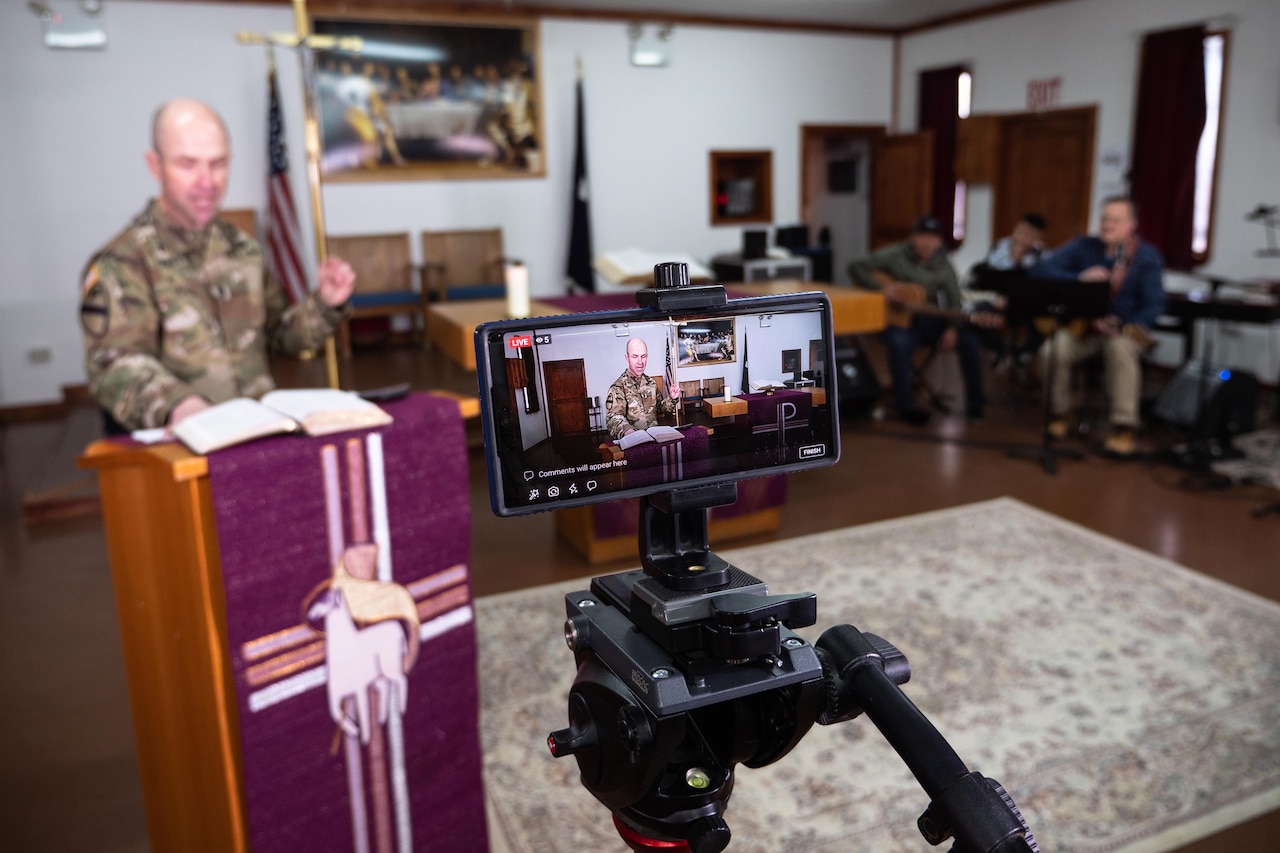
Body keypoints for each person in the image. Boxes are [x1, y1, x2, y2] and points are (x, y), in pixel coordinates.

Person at [80, 98, 356, 433]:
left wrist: (324, 304)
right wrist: (178, 406)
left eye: (218, 164)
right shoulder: (123, 261)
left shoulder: (242, 249)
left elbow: (278, 336)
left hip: (259, 438)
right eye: (188, 164)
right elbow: (113, 364)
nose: (207, 182)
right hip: (182, 451)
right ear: (156, 166)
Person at [1030, 196, 1165, 457]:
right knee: (1051, 351)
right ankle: (1060, 413)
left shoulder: (1147, 258)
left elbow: (1154, 305)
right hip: (1084, 329)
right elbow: (1041, 270)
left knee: (1119, 350)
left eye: (1115, 220)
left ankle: (1123, 426)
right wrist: (1079, 278)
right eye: (1105, 219)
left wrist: (1127, 324)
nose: (1107, 225)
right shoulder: (1083, 246)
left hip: (1122, 332)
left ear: (1131, 225)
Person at [849, 215, 989, 425]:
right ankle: (907, 405)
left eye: (932, 238)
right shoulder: (894, 254)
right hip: (898, 321)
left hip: (929, 319)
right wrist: (883, 289)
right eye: (922, 236)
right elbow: (856, 266)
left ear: (939, 241)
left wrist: (952, 328)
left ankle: (975, 405)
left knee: (970, 341)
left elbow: (954, 300)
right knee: (898, 343)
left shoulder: (945, 266)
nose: (927, 242)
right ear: (913, 237)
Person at [604, 338, 681, 440]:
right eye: (635, 356)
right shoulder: (618, 387)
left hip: (655, 441)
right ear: (627, 358)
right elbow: (613, 418)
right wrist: (628, 431)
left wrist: (672, 398)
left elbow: (660, 408)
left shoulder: (651, 383)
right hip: (633, 442)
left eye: (643, 356)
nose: (640, 362)